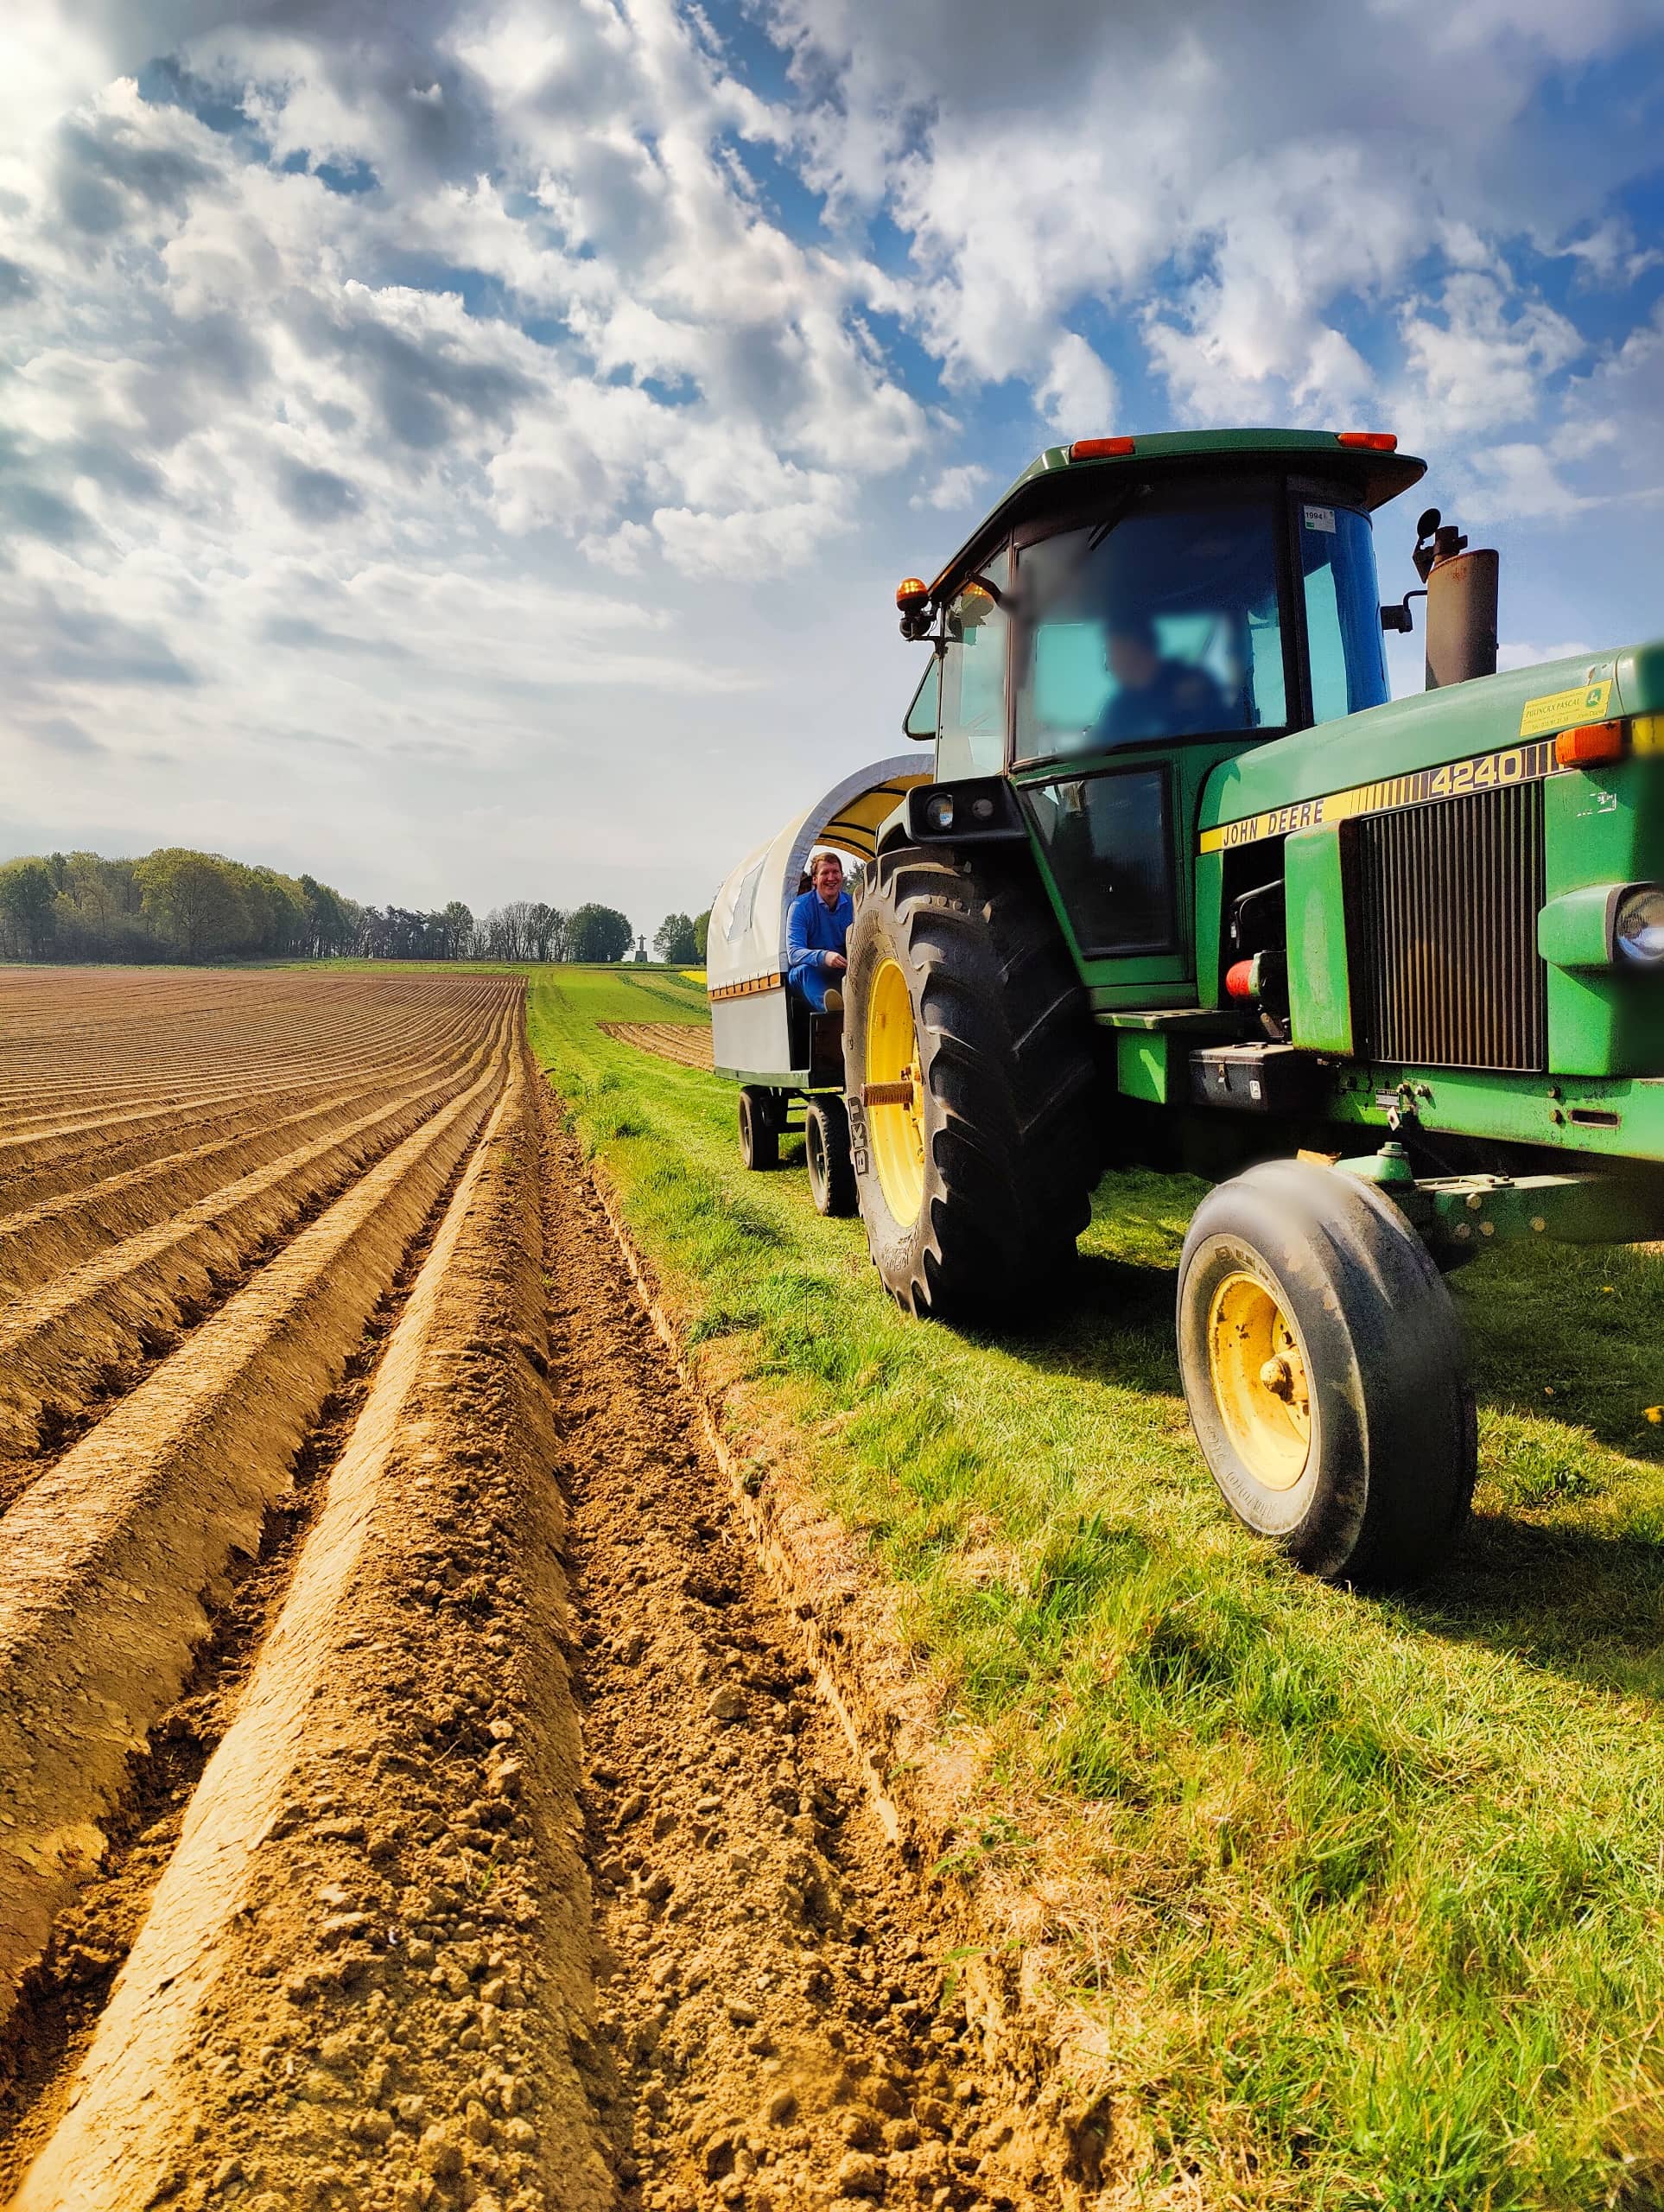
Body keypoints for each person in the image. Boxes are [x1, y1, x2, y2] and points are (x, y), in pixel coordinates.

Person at [1090, 612, 1228, 747]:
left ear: (1134, 647)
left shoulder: (1192, 684)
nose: (1108, 665)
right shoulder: (1118, 708)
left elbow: (1217, 736)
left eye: (1111, 651)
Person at [786, 849, 853, 1014]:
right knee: (803, 972)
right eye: (825, 873)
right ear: (815, 879)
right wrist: (825, 956)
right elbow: (794, 953)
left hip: (840, 970)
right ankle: (833, 1008)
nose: (831, 878)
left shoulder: (852, 905)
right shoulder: (800, 907)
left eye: (835, 872)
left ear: (842, 876)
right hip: (809, 974)